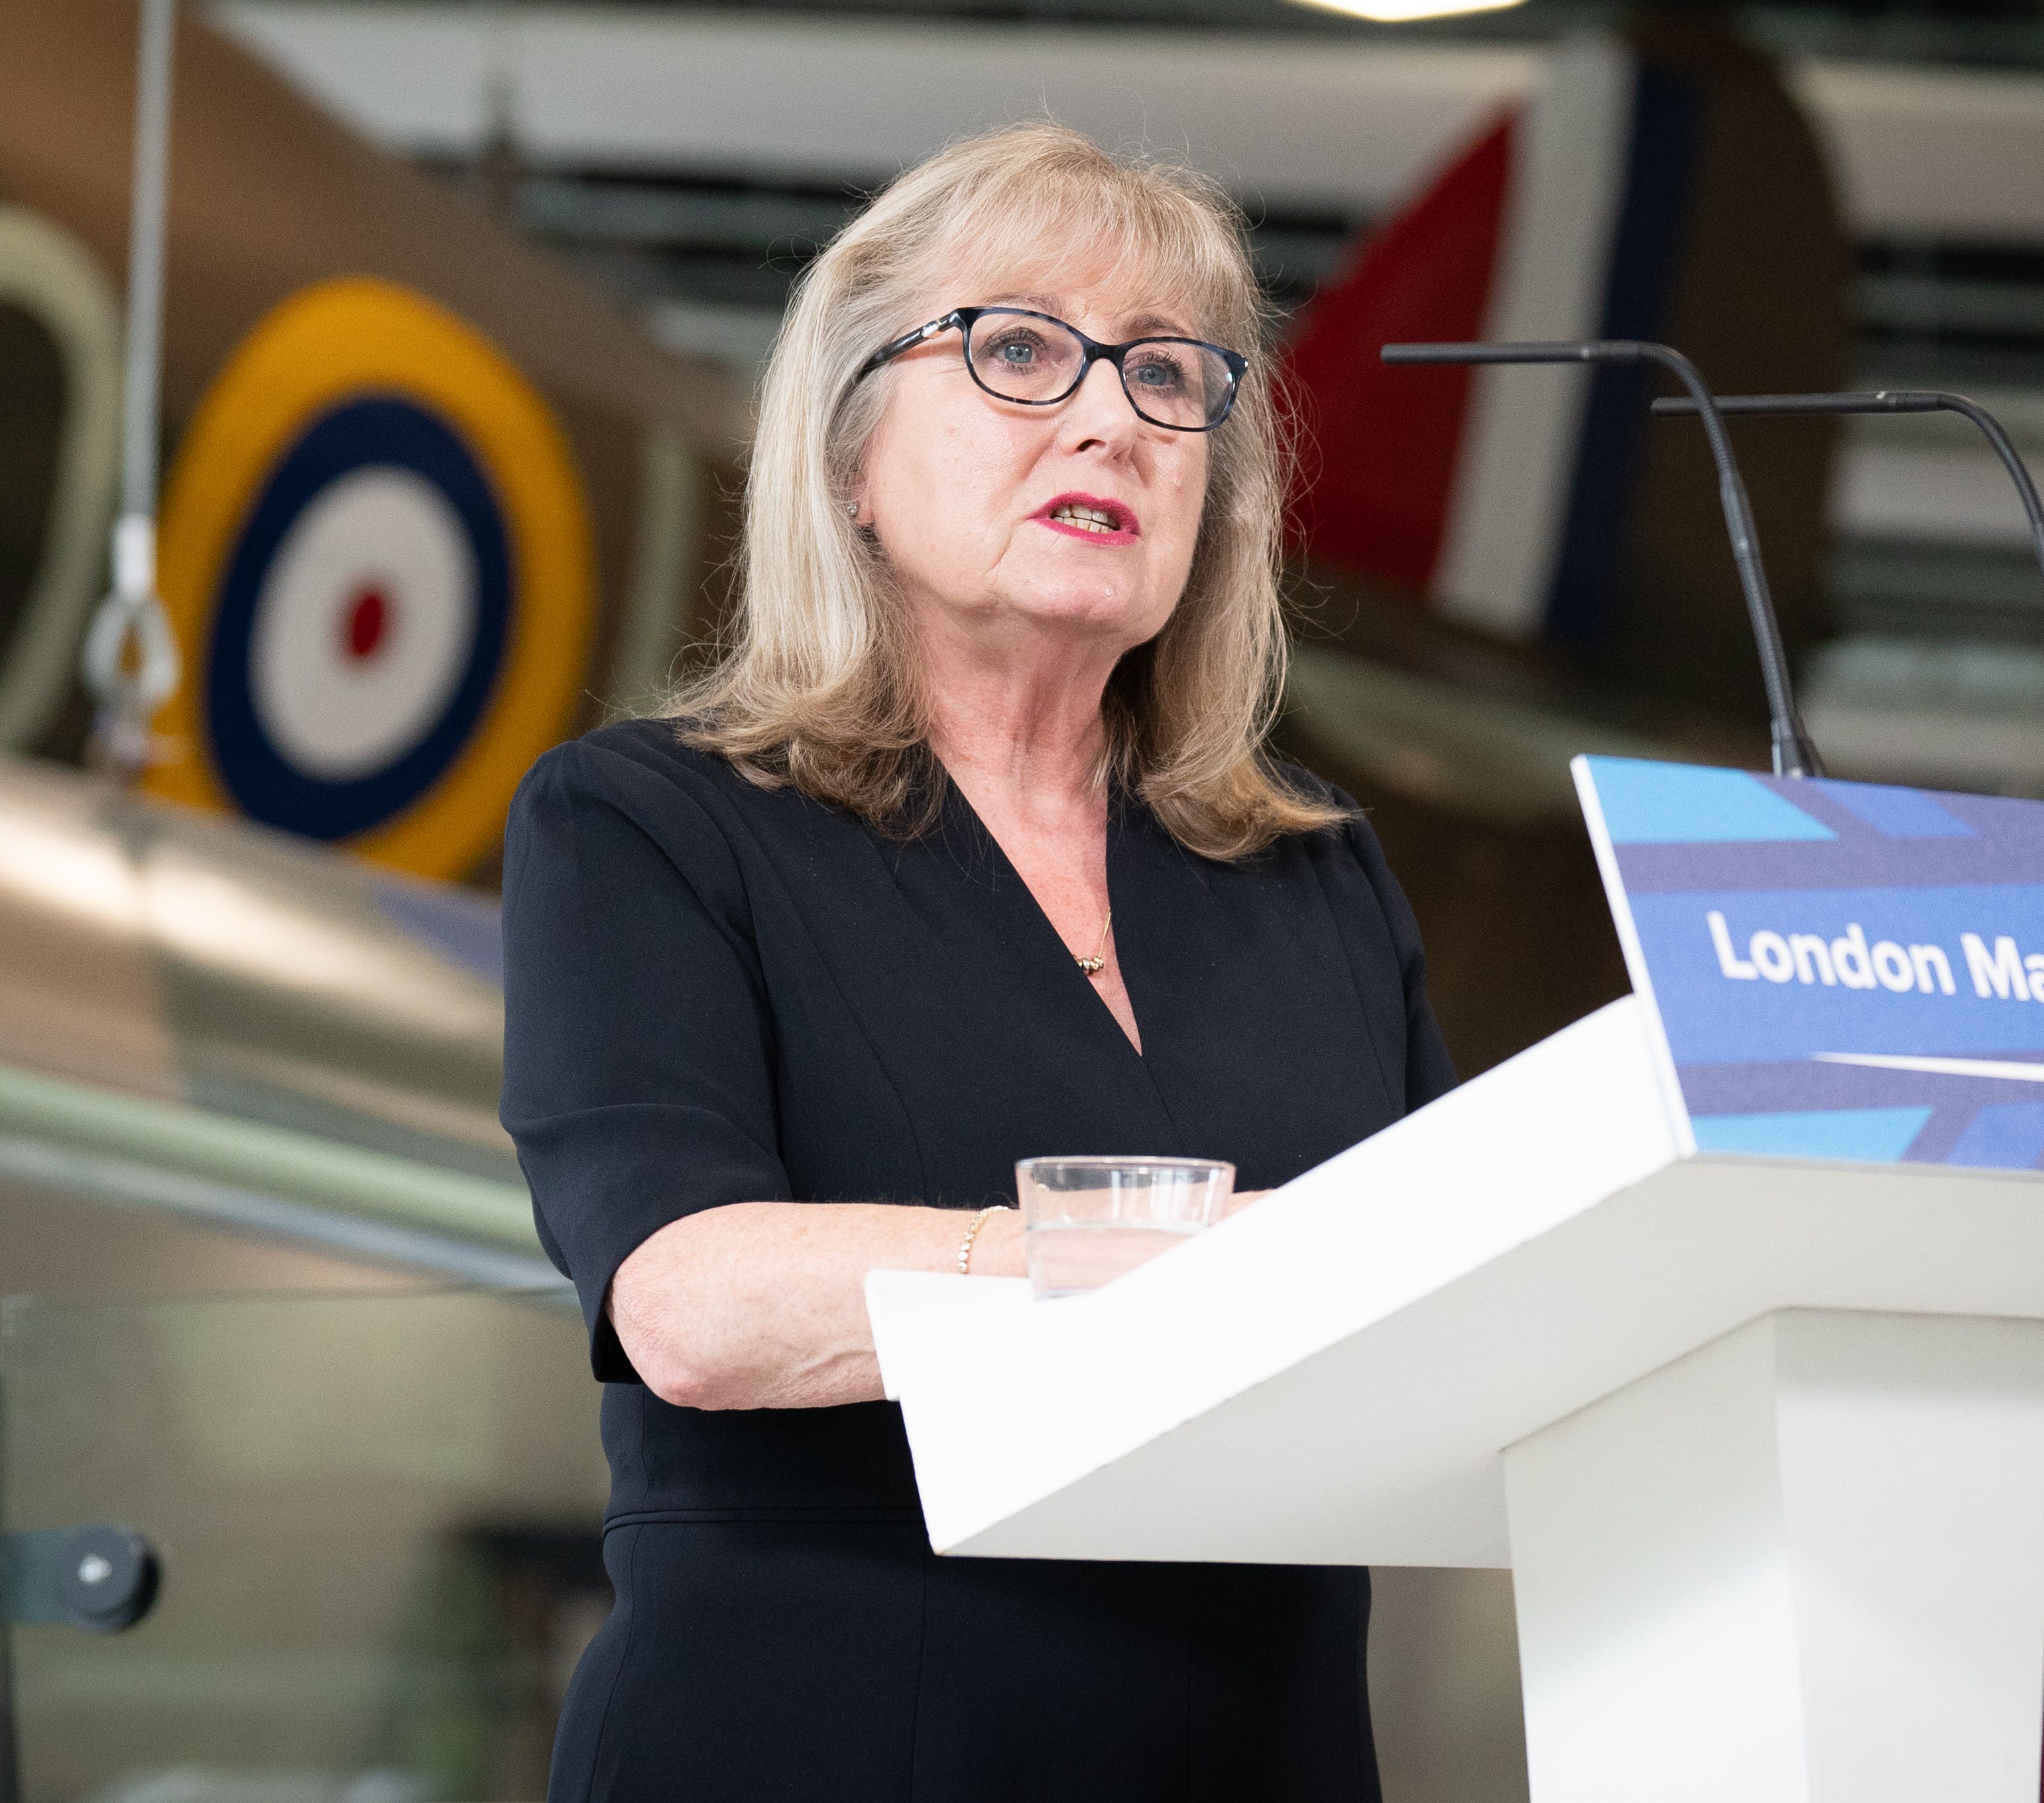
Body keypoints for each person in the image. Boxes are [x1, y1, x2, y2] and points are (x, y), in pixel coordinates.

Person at [500, 121, 1457, 1802]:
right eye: (1019, 349)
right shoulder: (648, 826)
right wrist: (1170, 1252)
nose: (1113, 417)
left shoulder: (1314, 878)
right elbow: (691, 1302)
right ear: (851, 458)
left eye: (1171, 378)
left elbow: (1458, 1316)